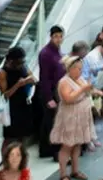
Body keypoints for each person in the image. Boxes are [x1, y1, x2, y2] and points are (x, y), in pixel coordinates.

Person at [50, 55, 97, 180]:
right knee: (67, 146)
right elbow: (68, 98)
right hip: (70, 116)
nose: (79, 71)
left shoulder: (80, 78)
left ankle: (75, 171)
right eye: (77, 69)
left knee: (77, 145)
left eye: (81, 69)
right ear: (69, 69)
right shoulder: (64, 82)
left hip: (81, 116)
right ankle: (63, 174)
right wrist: (83, 89)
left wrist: (93, 90)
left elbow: (86, 91)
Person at [0, 47, 36, 152]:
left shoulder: (23, 67)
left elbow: (33, 79)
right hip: (11, 108)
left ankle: (19, 159)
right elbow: (5, 95)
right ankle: (6, 161)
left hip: (23, 104)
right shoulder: (3, 73)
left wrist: (30, 81)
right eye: (19, 62)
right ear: (11, 61)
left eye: (23, 61)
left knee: (22, 136)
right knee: (9, 137)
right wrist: (18, 85)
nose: (21, 64)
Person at [38, 25, 65, 160]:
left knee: (49, 122)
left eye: (60, 36)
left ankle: (46, 150)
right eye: (56, 37)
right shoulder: (46, 53)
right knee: (51, 123)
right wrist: (49, 97)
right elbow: (45, 77)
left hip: (57, 89)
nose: (58, 39)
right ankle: (53, 151)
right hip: (50, 91)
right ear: (51, 37)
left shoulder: (56, 51)